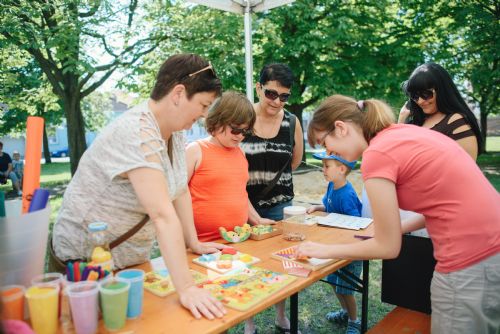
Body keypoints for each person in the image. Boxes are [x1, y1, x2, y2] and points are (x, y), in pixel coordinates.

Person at [297, 94, 500, 333]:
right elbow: (443, 204)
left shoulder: (377, 154)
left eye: (323, 142)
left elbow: (388, 247)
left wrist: (323, 251)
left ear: (340, 128)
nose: (328, 151)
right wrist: (394, 228)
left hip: (468, 260)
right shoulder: (402, 134)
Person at [52, 54, 227, 320]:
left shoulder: (175, 132)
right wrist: (188, 288)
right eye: (203, 105)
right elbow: (161, 214)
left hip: (125, 264)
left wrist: (193, 242)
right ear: (178, 93)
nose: (204, 115)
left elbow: (179, 190)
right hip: (84, 265)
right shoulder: (137, 131)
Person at [240, 63, 304, 334]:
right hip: (243, 206)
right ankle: (249, 323)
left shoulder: (292, 121)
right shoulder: (242, 118)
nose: (277, 101)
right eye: (271, 94)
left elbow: (296, 160)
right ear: (258, 87)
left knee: (282, 263)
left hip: (280, 207)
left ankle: (281, 317)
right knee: (246, 265)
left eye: (284, 96)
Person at [186, 91, 274, 242]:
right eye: (235, 129)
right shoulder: (195, 150)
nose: (240, 136)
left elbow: (240, 194)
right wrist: (189, 240)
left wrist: (257, 220)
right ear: (218, 120)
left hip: (238, 238)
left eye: (245, 131)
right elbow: (177, 197)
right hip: (201, 242)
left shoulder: (241, 153)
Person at [307, 152, 362, 334]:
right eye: (322, 166)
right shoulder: (332, 185)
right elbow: (330, 207)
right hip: (335, 247)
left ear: (342, 169)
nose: (323, 170)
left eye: (326, 166)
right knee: (333, 281)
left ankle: (354, 321)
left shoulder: (347, 194)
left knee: (346, 289)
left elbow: (356, 222)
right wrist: (317, 207)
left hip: (350, 250)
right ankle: (345, 312)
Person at [399, 62, 482, 160]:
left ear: (442, 91)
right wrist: (401, 121)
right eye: (414, 96)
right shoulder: (415, 122)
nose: (420, 101)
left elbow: (468, 169)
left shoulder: (455, 121)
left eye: (426, 94)